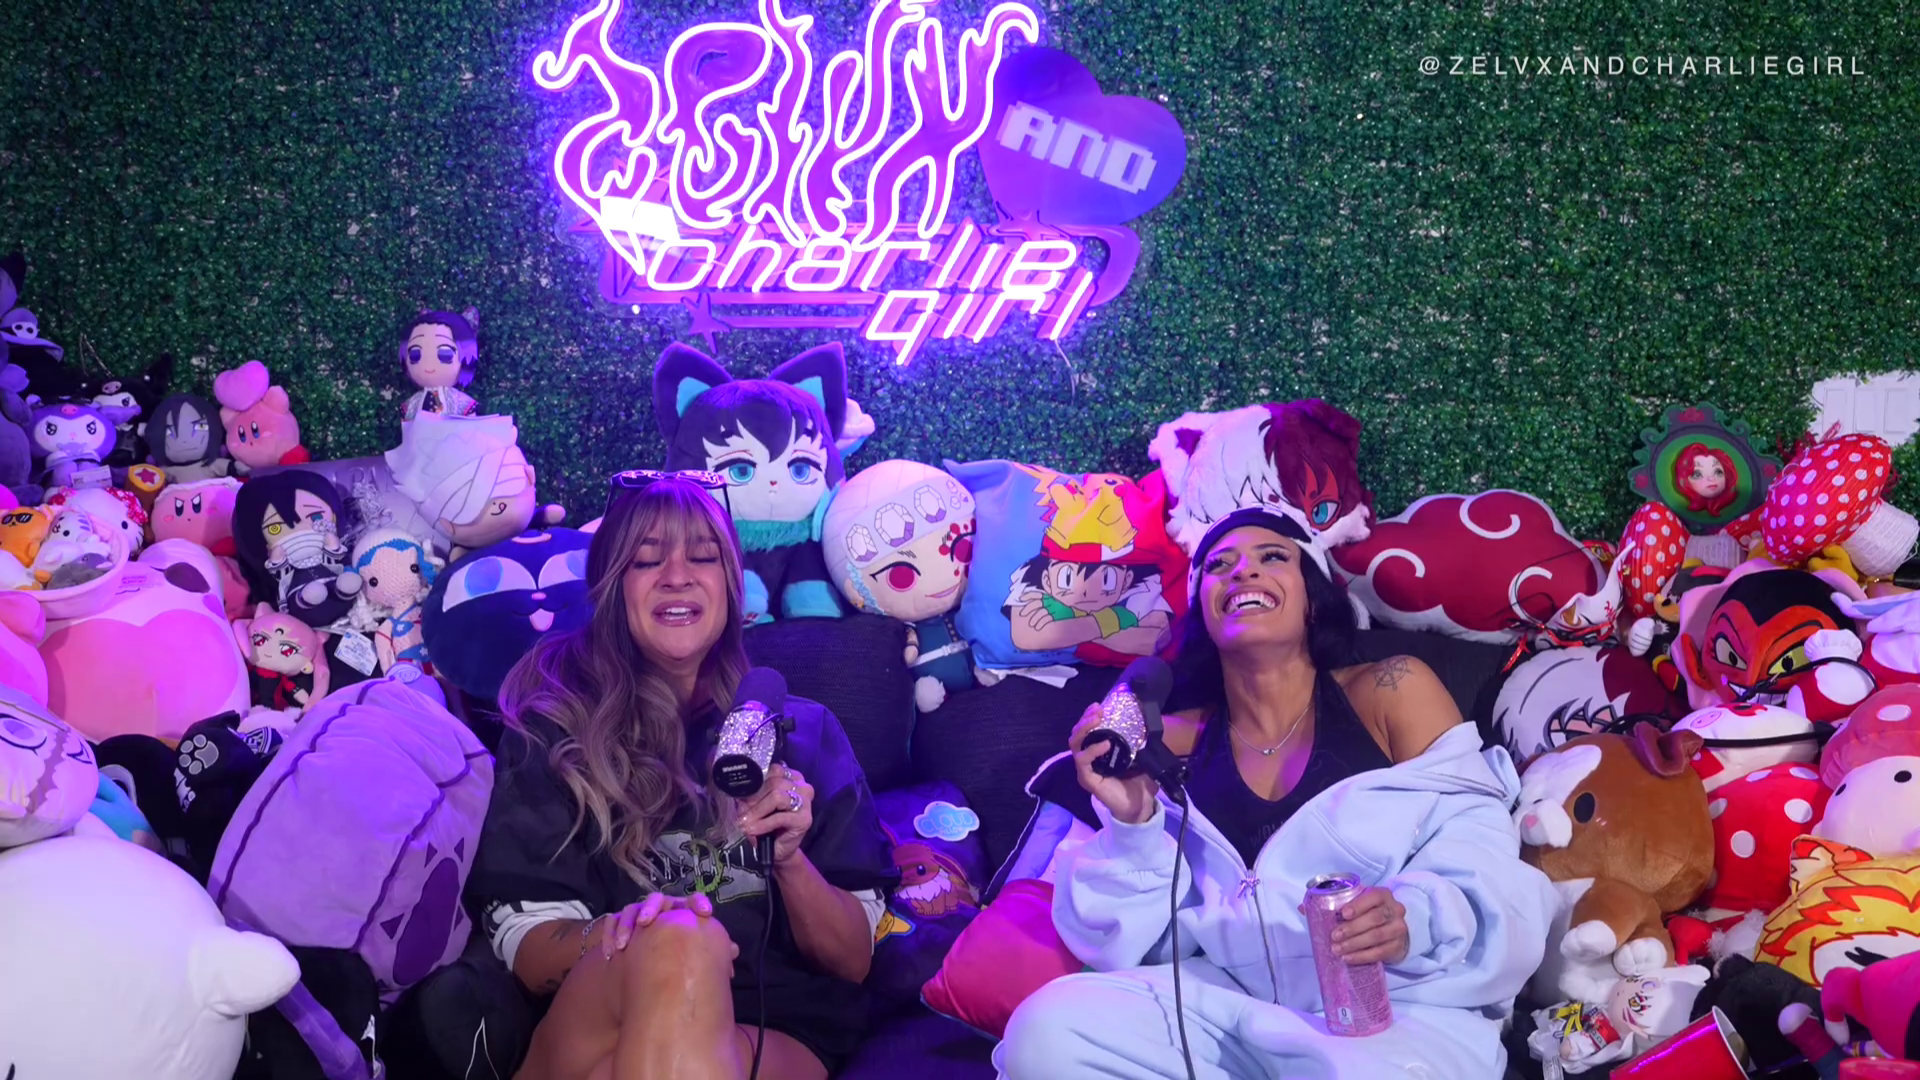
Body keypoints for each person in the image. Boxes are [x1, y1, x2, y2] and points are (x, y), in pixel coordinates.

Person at [996, 506, 1559, 1079]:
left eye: (1272, 557)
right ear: (1203, 608)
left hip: (1388, 1009)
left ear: (1312, 595)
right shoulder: (1168, 742)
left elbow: (1479, 844)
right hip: (1230, 1005)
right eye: (1220, 565)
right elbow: (1139, 947)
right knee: (1047, 1031)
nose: (1244, 572)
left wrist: (1413, 917)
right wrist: (1134, 827)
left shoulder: (1392, 690)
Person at [467, 474, 898, 1080]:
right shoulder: (556, 730)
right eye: (647, 560)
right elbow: (528, 949)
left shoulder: (808, 733)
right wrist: (631, 938)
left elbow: (852, 962)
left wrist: (789, 859)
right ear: (612, 587)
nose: (677, 576)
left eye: (703, 557)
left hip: (770, 1032)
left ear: (732, 585)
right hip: (605, 1008)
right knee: (679, 938)